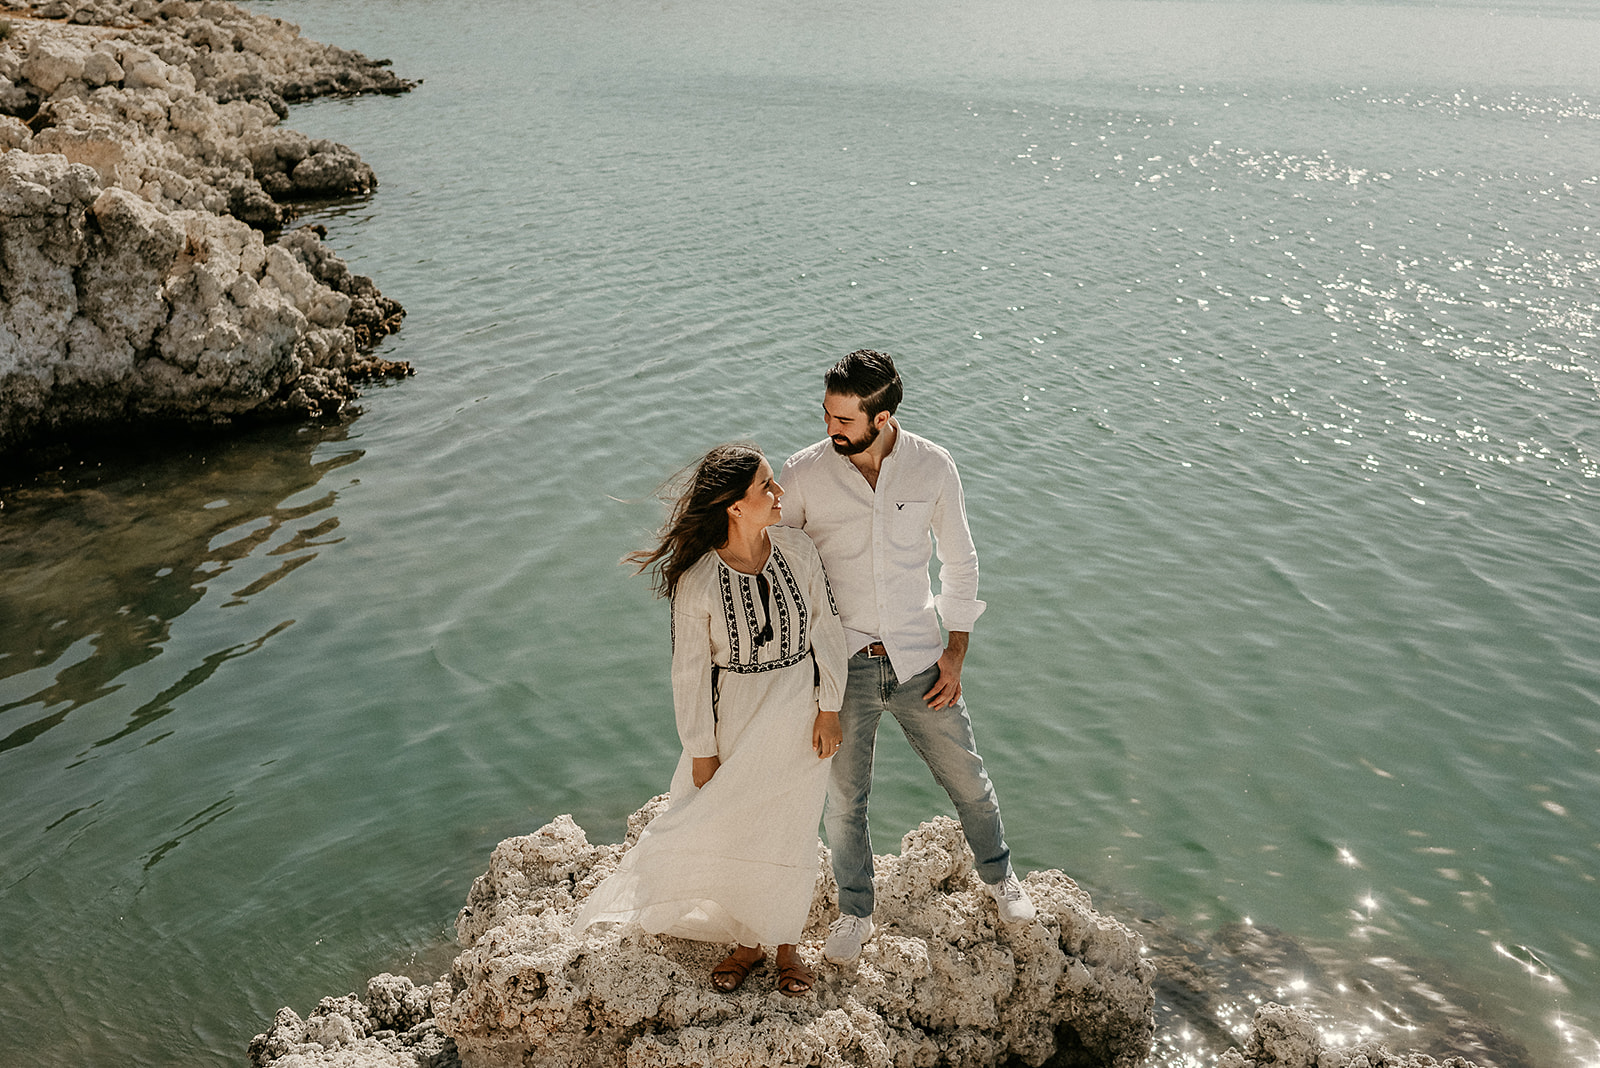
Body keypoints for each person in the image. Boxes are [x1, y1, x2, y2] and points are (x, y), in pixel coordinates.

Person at [778, 349, 1036, 965]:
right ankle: (854, 912)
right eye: (825, 414)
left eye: (843, 419)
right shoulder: (804, 473)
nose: (830, 428)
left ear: (884, 415)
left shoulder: (931, 466)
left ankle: (1000, 879)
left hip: (921, 657)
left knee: (968, 779)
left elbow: (961, 560)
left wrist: (957, 650)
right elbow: (779, 563)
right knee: (845, 801)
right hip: (844, 665)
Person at [573, 443, 849, 997]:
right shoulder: (697, 582)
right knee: (731, 826)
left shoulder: (797, 549)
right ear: (734, 507)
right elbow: (689, 674)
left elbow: (826, 628)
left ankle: (788, 946)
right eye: (766, 488)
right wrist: (701, 747)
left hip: (800, 712)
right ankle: (748, 944)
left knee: (793, 829)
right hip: (737, 721)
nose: (780, 494)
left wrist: (830, 707)